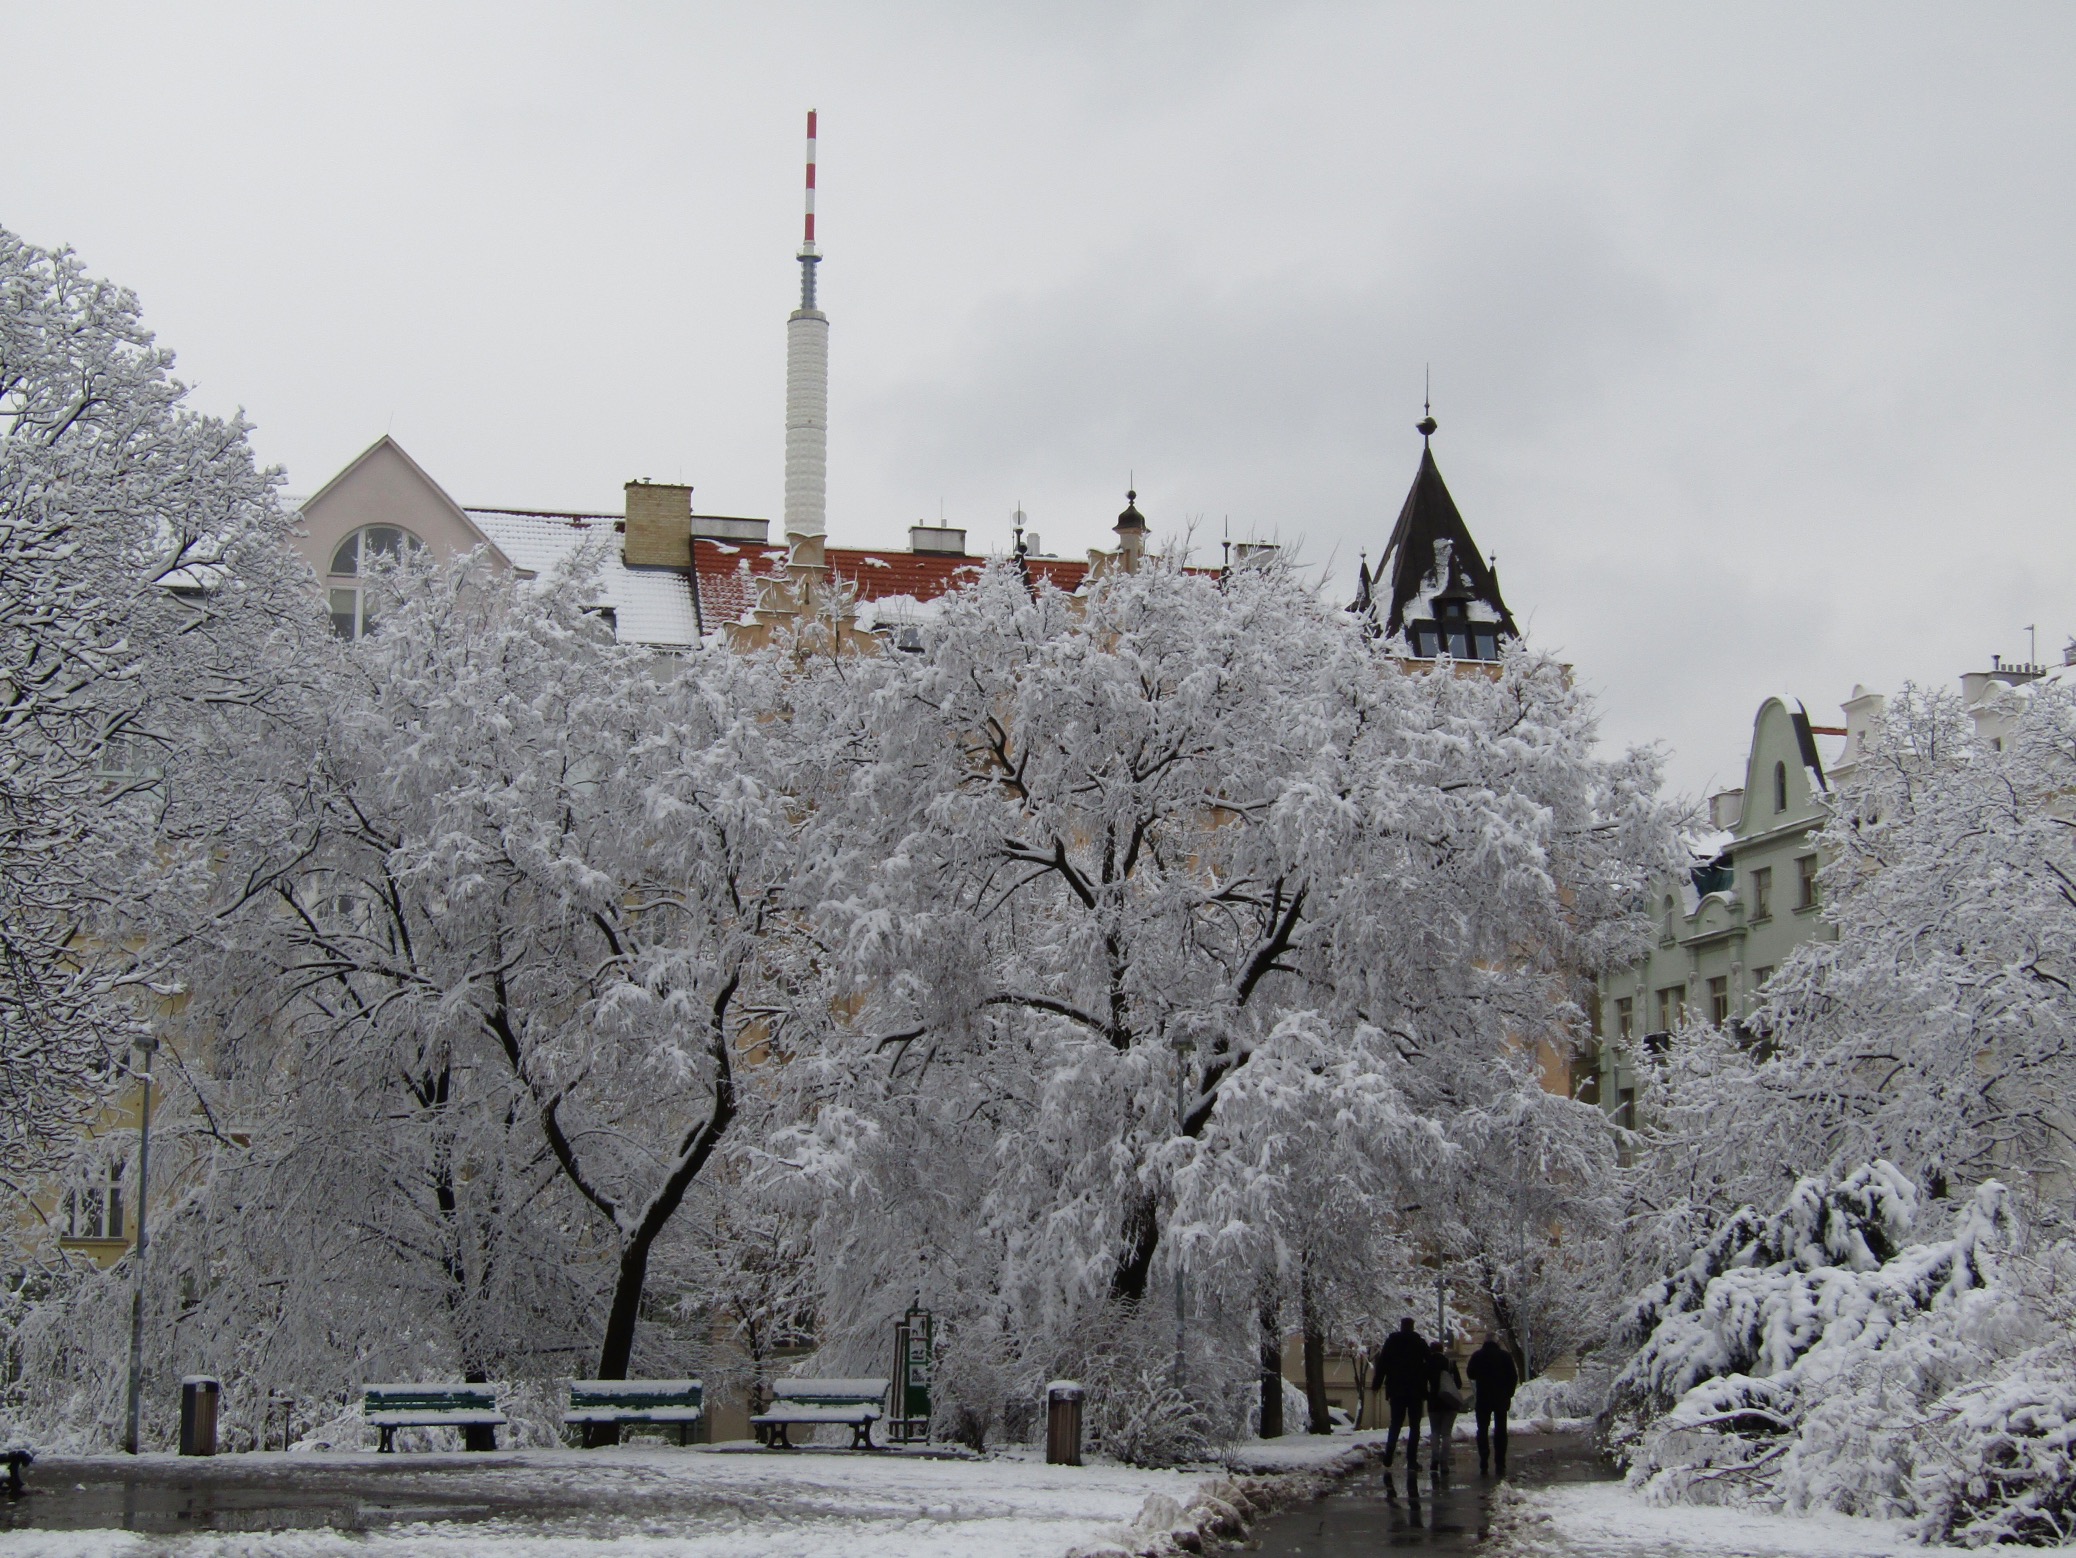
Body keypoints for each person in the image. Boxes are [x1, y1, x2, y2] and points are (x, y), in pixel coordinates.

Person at [1371, 1316, 1429, 1471]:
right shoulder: (1419, 1343)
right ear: (1412, 1326)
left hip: (1396, 1390)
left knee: (1395, 1423)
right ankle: (1411, 1460)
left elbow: (1382, 1364)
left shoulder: (1391, 1342)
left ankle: (1389, 1455)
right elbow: (1429, 1364)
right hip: (1416, 1391)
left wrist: (1376, 1384)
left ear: (1401, 1326)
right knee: (1415, 1426)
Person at [1465, 1331, 1519, 1477]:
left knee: (1482, 1429)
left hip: (1483, 1398)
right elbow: (1513, 1377)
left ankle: (1484, 1458)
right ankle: (1500, 1462)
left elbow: (1470, 1373)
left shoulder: (1477, 1356)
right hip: (1500, 1398)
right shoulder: (1505, 1356)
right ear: (1497, 1342)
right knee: (1501, 1429)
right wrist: (1509, 1393)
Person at [1424, 1340, 1465, 1481]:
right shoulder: (1450, 1364)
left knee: (1435, 1432)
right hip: (1449, 1403)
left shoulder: (1427, 1364)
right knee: (1446, 1433)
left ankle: (1434, 1459)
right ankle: (1444, 1463)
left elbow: (1423, 1384)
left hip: (1433, 1403)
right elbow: (1458, 1384)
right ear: (1442, 1350)